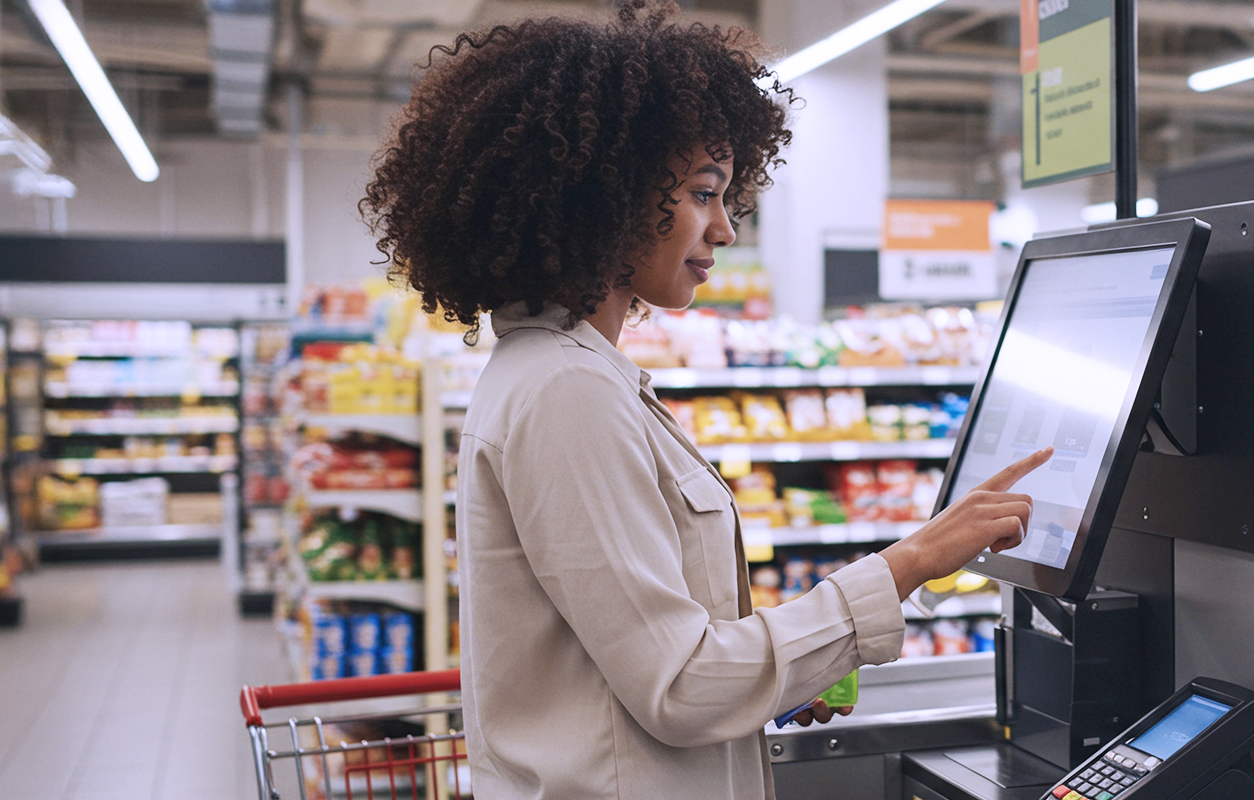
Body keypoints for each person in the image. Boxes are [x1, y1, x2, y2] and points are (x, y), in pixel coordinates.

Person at [360, 3, 1052, 798]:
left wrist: (792, 666)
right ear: (604, 196)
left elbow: (641, 657)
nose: (724, 228)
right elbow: (683, 686)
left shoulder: (568, 373)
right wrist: (910, 564)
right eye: (702, 193)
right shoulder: (567, 390)